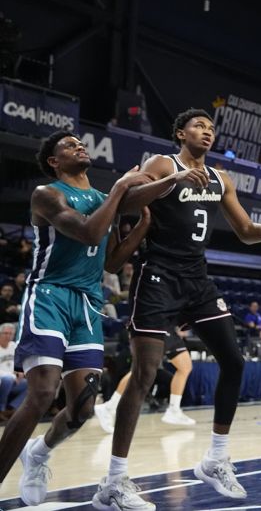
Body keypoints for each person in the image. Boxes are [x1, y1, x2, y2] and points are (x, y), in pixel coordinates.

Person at [93, 109, 261, 510]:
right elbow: (126, 202)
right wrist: (172, 180)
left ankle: (215, 459)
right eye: (199, 126)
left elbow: (245, 231)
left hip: (197, 279)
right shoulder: (162, 163)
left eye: (211, 127)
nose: (207, 132)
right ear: (180, 133)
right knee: (144, 375)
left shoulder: (222, 178)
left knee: (235, 360)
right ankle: (114, 481)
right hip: (158, 275)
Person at [0, 132, 150, 506]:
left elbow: (112, 261)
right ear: (54, 160)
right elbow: (87, 232)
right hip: (49, 295)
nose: (79, 146)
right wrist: (119, 190)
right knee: (43, 393)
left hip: (87, 304)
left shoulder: (102, 200)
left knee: (82, 407)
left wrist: (144, 221)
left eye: (80, 143)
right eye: (69, 145)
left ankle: (37, 454)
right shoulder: (46, 194)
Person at [95, 328, 197, 430]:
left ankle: (174, 410)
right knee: (140, 370)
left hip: (167, 328)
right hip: (155, 327)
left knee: (185, 366)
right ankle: (109, 407)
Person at [0, 323, 28, 416]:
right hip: (3, 380)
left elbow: (20, 363)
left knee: (31, 384)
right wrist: (13, 375)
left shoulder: (14, 346)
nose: (8, 336)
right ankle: (1, 409)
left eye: (11, 334)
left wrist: (20, 371)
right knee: (7, 379)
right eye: (5, 333)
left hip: (13, 381)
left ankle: (12, 408)